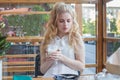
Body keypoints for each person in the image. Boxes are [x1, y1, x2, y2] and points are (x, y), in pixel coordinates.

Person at [40, 2, 85, 77]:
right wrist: (50, 61)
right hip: (50, 77)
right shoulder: (47, 39)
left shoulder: (76, 38)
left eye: (68, 21)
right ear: (55, 22)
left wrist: (62, 58)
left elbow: (81, 67)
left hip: (70, 77)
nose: (65, 24)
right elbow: (42, 70)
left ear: (72, 21)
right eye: (61, 21)